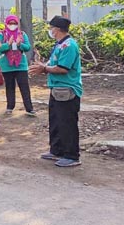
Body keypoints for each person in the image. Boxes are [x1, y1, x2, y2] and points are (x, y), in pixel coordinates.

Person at [30, 16, 83, 167]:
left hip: (67, 89)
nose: (50, 31)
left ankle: (72, 155)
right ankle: (57, 150)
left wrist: (44, 69)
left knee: (67, 123)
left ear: (57, 29)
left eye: (51, 28)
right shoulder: (60, 44)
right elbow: (54, 63)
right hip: (57, 88)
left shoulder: (69, 46)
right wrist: (44, 65)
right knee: (56, 121)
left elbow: (63, 68)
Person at [0, 15, 35, 116]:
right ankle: (10, 106)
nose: (12, 25)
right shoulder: (1, 35)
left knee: (24, 86)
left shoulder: (22, 34)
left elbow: (27, 47)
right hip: (7, 65)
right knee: (9, 87)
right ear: (6, 23)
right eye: (10, 23)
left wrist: (19, 44)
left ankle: (29, 108)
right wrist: (8, 44)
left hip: (21, 65)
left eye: (14, 23)